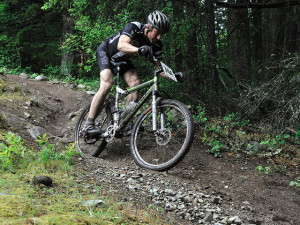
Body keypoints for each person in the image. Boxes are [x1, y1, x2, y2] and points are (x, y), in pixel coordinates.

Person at [84, 10, 184, 135]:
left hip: (122, 60)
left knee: (136, 83)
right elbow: (121, 45)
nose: (159, 37)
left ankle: (124, 121)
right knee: (107, 84)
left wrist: (174, 76)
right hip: (106, 53)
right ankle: (88, 124)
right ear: (148, 27)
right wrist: (139, 49)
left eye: (162, 34)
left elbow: (160, 68)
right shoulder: (135, 27)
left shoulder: (157, 44)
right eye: (157, 33)